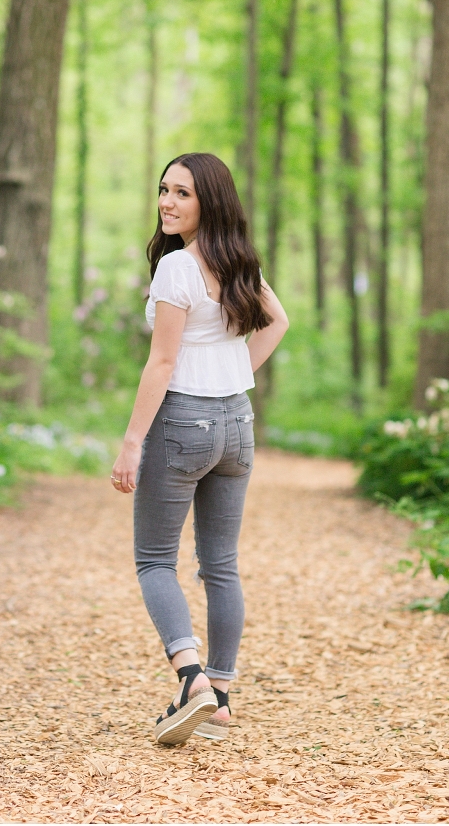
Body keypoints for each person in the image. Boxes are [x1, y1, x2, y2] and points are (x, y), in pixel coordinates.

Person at [111, 153, 289, 746]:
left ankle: (192, 681)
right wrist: (231, 373)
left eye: (182, 193)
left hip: (182, 422)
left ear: (208, 201)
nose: (167, 202)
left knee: (155, 560)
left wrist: (132, 441)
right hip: (237, 422)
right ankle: (222, 698)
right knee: (220, 565)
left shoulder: (178, 270)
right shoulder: (238, 262)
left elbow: (162, 362)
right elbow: (277, 322)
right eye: (163, 189)